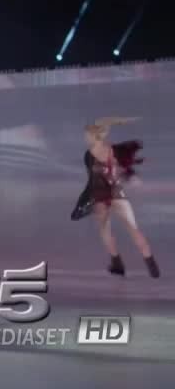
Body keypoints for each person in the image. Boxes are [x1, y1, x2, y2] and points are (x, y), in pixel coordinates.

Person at [71, 117, 158, 278]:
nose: (85, 138)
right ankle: (152, 265)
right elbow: (120, 168)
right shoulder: (114, 150)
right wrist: (129, 174)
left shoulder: (89, 155)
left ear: (94, 136)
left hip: (100, 196)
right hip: (118, 194)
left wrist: (83, 201)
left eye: (87, 136)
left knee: (105, 230)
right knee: (133, 229)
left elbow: (93, 181)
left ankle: (117, 263)